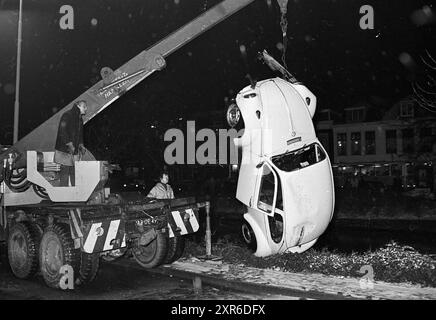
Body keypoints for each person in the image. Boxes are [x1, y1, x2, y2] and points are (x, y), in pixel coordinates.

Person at [54, 100, 88, 186]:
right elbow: (62, 131)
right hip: (65, 149)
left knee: (74, 172)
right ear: (78, 106)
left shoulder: (79, 119)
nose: (86, 109)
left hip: (73, 150)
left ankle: (74, 194)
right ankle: (64, 196)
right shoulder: (68, 115)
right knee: (65, 172)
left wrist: (81, 145)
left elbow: (79, 136)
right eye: (84, 106)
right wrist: (69, 144)